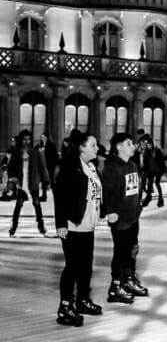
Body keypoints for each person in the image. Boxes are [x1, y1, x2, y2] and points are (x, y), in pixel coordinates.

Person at [54, 130, 103, 326]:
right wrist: (60, 224)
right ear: (81, 148)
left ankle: (82, 300)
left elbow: (97, 194)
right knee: (72, 267)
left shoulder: (92, 167)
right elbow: (60, 196)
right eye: (93, 145)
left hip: (88, 226)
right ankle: (65, 307)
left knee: (86, 267)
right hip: (73, 226)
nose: (97, 148)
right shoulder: (70, 168)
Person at [101, 132, 148, 304]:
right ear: (118, 147)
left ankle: (129, 279)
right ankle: (115, 286)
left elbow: (136, 187)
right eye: (128, 143)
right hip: (119, 219)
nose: (132, 146)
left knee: (132, 250)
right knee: (120, 252)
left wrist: (140, 203)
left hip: (133, 216)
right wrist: (110, 210)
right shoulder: (112, 167)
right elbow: (106, 192)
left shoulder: (133, 165)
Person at [7, 129, 50, 236]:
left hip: (33, 182)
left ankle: (41, 226)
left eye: (28, 139)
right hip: (22, 183)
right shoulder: (17, 153)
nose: (26, 141)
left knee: (36, 204)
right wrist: (13, 178)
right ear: (21, 140)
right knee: (19, 204)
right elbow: (10, 167)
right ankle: (14, 226)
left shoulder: (35, 152)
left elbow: (42, 167)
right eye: (24, 139)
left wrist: (46, 181)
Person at [140, 135, 166, 208]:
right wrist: (144, 170)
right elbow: (145, 162)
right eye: (148, 145)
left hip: (158, 170)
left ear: (153, 144)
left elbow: (161, 161)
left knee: (157, 183)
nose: (149, 146)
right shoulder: (147, 152)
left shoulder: (157, 151)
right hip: (151, 170)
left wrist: (164, 170)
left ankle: (161, 198)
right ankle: (148, 198)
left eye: (150, 145)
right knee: (149, 184)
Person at [36, 132, 60, 201]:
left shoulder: (51, 145)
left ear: (47, 138)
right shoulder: (40, 145)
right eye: (42, 137)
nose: (43, 138)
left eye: (44, 137)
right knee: (44, 181)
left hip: (49, 166)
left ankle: (55, 194)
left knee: (51, 181)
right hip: (43, 165)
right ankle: (44, 196)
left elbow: (54, 155)